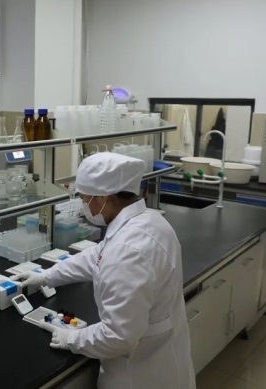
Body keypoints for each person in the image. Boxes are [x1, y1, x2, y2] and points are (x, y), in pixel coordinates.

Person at [16, 152, 195, 388]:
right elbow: (96, 256)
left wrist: (74, 338)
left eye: (84, 198)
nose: (83, 205)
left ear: (102, 197)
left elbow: (118, 336)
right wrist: (47, 276)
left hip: (139, 373)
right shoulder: (149, 221)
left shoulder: (127, 251)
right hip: (164, 356)